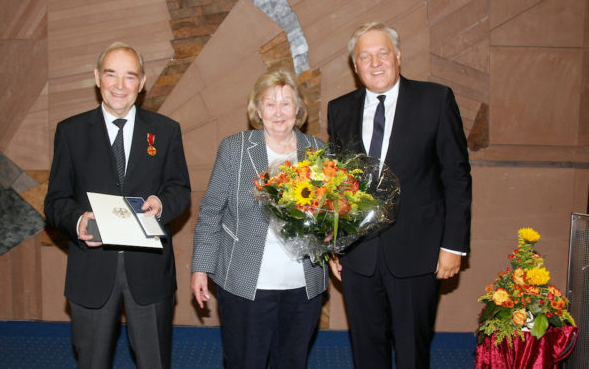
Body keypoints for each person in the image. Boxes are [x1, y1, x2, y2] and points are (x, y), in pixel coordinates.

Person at [327, 22, 472, 368]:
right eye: (365, 57)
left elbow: (456, 177)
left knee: (411, 353)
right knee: (366, 352)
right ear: (355, 65)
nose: (375, 63)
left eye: (382, 53)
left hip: (417, 254)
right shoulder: (340, 109)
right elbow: (336, 183)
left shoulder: (436, 100)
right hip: (358, 257)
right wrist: (332, 243)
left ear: (399, 57)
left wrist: (453, 246)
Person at [44, 42, 191, 369]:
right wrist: (79, 222)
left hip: (150, 272)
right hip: (91, 271)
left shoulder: (165, 131)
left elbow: (180, 190)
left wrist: (161, 204)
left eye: (129, 77)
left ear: (141, 83)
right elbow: (55, 201)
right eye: (111, 75)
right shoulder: (70, 132)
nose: (120, 86)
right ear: (97, 78)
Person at [191, 69, 328, 369]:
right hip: (245, 284)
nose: (279, 112)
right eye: (270, 103)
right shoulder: (235, 149)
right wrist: (201, 268)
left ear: (298, 109)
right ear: (258, 110)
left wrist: (332, 238)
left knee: (292, 362)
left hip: (303, 286)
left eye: (286, 103)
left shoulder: (318, 151)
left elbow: (331, 215)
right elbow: (210, 212)